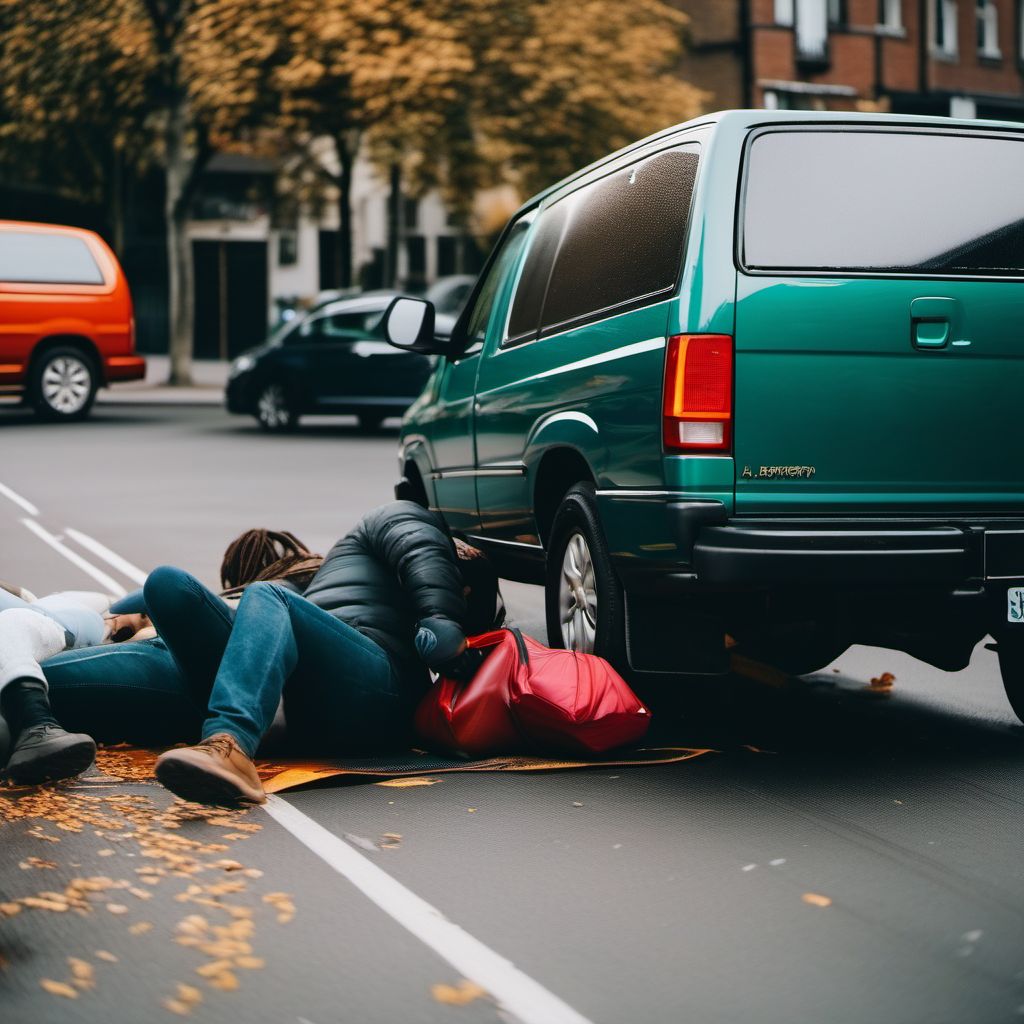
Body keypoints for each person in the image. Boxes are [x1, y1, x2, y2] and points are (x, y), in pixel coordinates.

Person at [147, 501, 501, 806]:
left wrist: (439, 618)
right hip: (302, 704)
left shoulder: (400, 518)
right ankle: (89, 720)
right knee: (167, 584)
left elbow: (418, 544)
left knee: (268, 594)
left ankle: (229, 740)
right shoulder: (340, 564)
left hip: (378, 685)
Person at [4, 529, 322, 781]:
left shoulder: (261, 598)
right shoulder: (291, 602)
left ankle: (32, 722)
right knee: (34, 676)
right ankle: (32, 724)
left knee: (28, 672)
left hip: (170, 668)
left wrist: (123, 618)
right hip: (177, 688)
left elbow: (144, 596)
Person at [0, 584, 119, 783]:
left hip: (44, 624)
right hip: (38, 618)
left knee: (12, 623)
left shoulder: (91, 616)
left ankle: (35, 723)